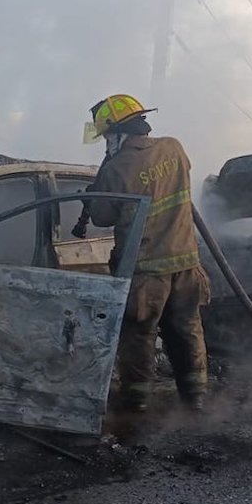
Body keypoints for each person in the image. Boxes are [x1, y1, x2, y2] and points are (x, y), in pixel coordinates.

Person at [83, 94, 210, 413]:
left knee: (138, 336)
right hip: (185, 265)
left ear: (116, 134)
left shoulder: (117, 168)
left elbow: (101, 217)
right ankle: (196, 402)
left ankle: (135, 403)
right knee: (186, 330)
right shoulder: (174, 147)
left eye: (107, 137)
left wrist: (96, 190)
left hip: (145, 272)